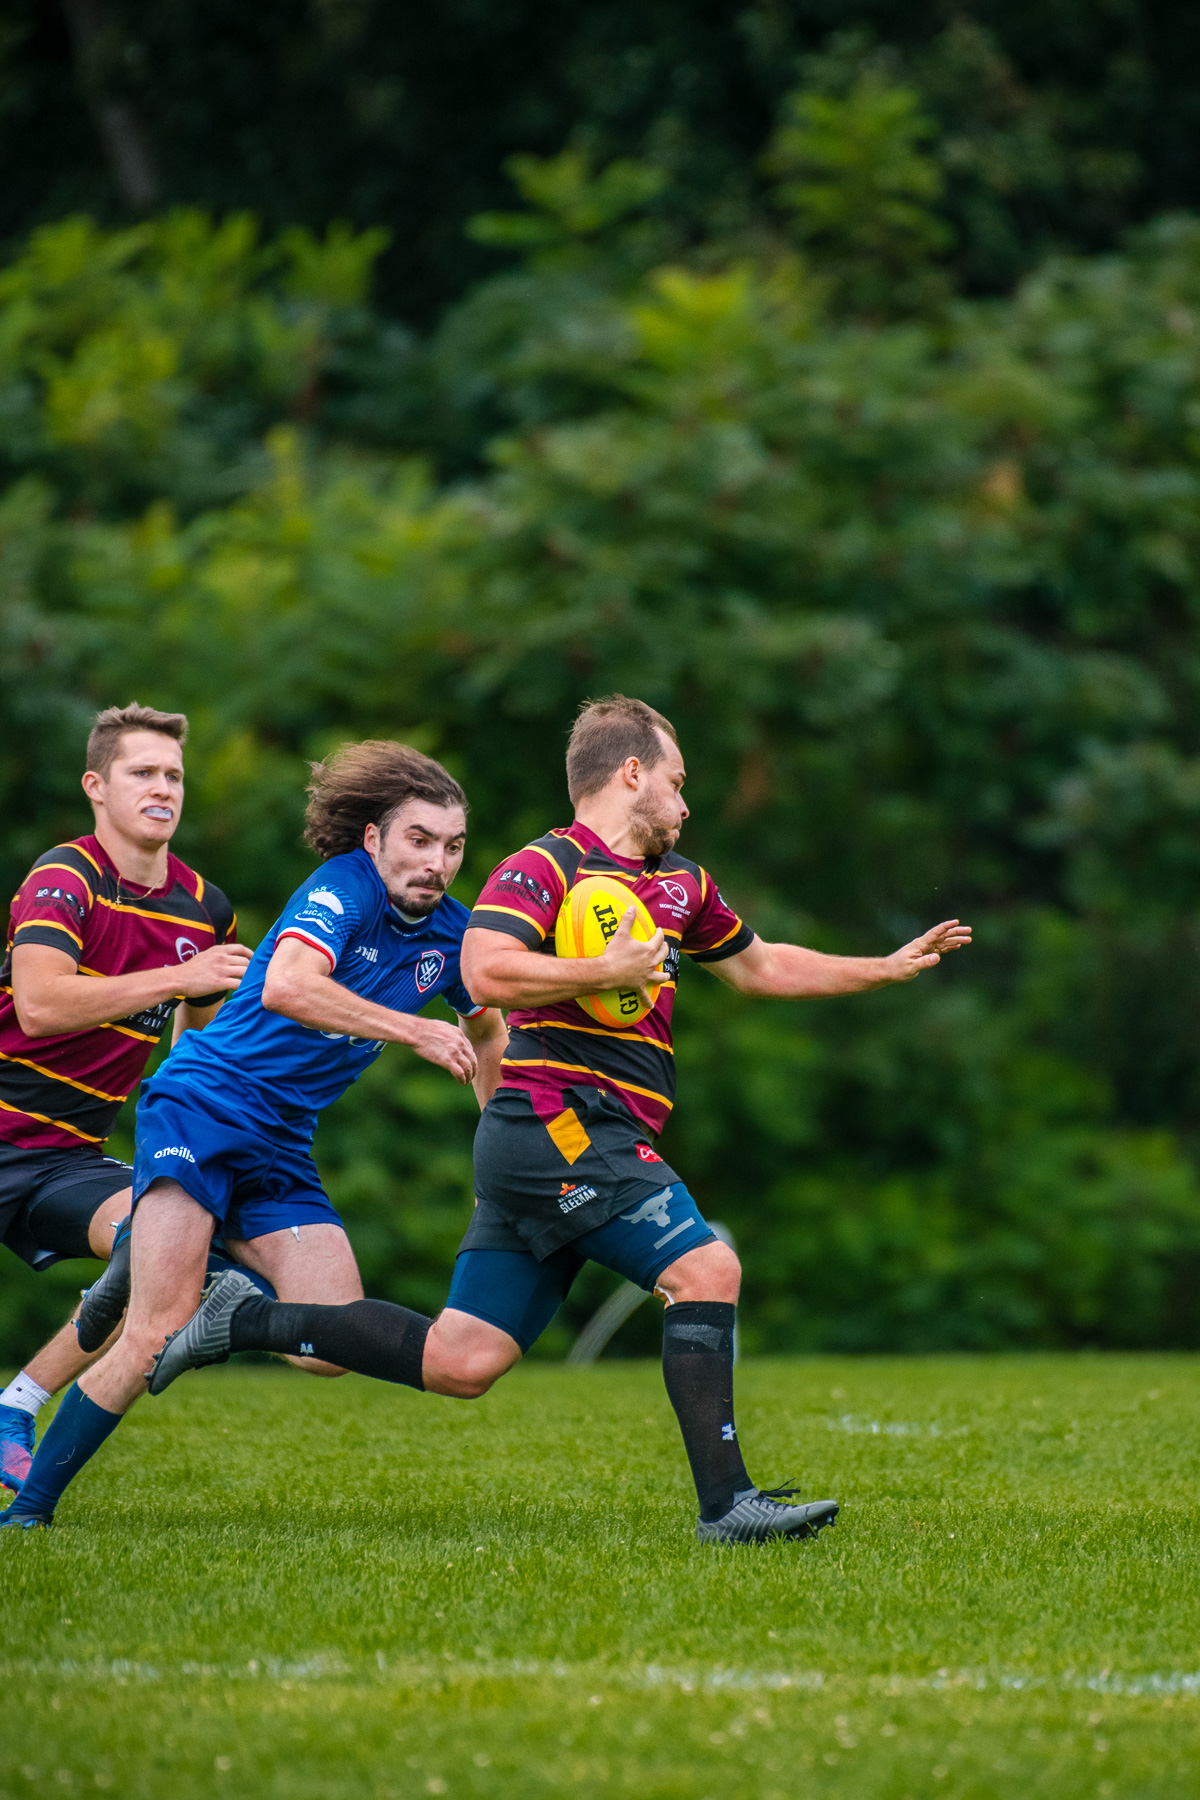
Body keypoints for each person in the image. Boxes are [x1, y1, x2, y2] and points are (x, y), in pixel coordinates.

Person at [122, 695, 972, 1546]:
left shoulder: (684, 884)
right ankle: (729, 1507)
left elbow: (762, 967)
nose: (686, 803)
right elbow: (486, 973)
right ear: (631, 773)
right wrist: (599, 966)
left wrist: (886, 968)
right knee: (708, 1270)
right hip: (562, 1120)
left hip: (552, 1140)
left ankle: (244, 1318)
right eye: (677, 782)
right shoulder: (542, 868)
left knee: (463, 1362)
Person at [0, 741, 507, 1529]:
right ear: (373, 838)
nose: (436, 862)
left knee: (330, 1344)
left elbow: (488, 1035)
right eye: (418, 839)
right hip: (202, 1108)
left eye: (452, 845)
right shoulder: (343, 889)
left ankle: (233, 1315)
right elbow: (287, 983)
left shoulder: (454, 934)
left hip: (280, 1141)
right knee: (153, 1330)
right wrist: (411, 1030)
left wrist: (500, 1146)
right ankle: (28, 1513)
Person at [0, 702, 255, 1494]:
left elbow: (197, 1049)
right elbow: (41, 1005)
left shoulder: (205, 909)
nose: (162, 788)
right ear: (96, 787)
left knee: (168, 1248)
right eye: (141, 772)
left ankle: (19, 1401)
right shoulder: (64, 877)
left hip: (65, 1160)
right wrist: (181, 979)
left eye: (173, 775)